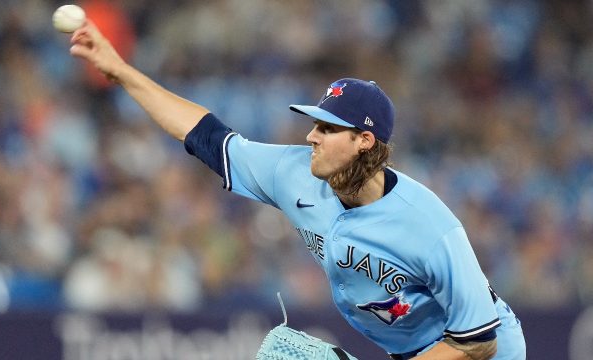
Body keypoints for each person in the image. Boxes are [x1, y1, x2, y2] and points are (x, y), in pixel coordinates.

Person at [68, 19, 526, 360]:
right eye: (315, 125)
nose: (311, 136)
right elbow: (206, 136)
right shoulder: (296, 173)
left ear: (364, 141)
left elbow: (477, 340)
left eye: (328, 129)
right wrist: (122, 72)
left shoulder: (430, 225)